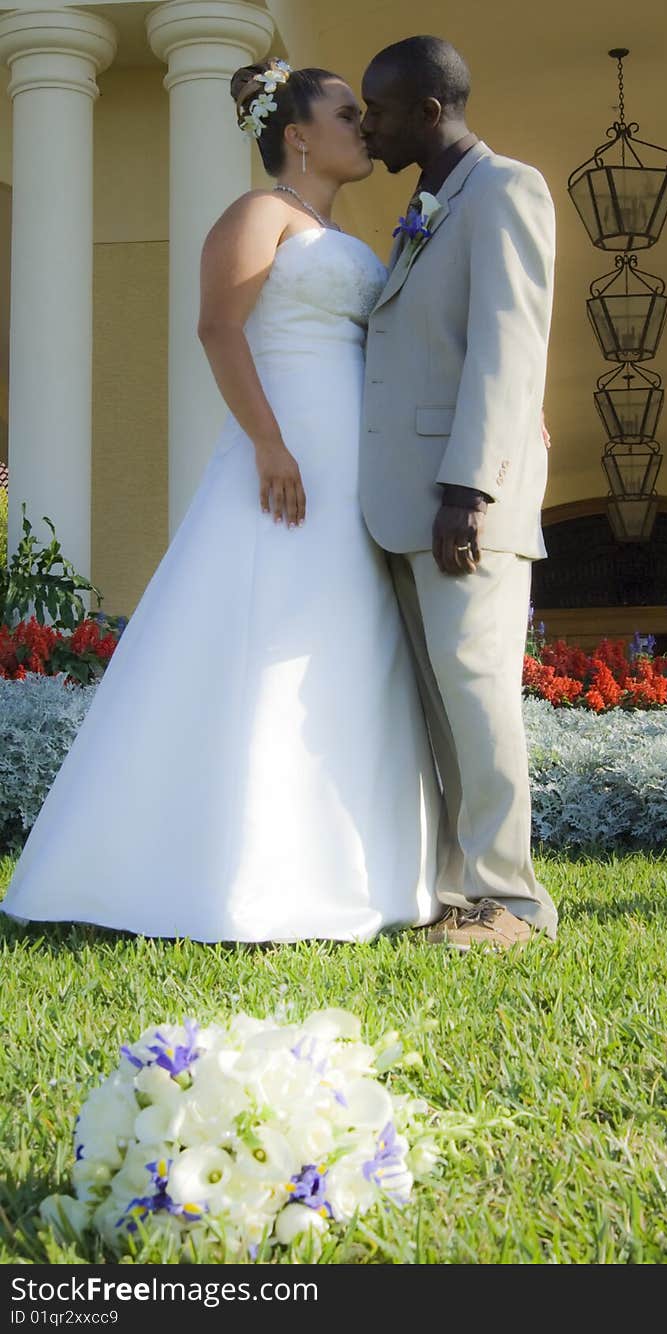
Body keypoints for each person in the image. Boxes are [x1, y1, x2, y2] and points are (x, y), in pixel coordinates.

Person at [0, 60, 442, 943]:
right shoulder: (258, 214)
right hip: (282, 462)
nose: (365, 127)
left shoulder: (338, 231)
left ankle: (361, 870)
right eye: (347, 115)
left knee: (337, 648)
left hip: (349, 470)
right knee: (254, 640)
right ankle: (198, 870)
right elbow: (218, 325)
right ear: (299, 136)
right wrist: (269, 443)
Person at [359, 36, 559, 949]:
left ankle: (511, 901)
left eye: (384, 110)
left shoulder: (507, 190)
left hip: (463, 504)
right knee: (441, 703)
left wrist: (467, 491)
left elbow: (507, 353)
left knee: (478, 693)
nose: (371, 126)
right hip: (407, 504)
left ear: (430, 110)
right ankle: (457, 891)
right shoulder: (431, 203)